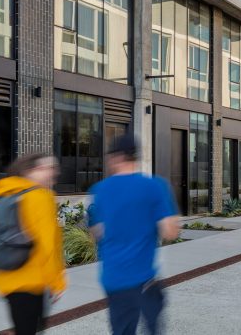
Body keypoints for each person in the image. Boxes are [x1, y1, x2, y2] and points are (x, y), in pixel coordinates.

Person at [88, 133, 180, 335]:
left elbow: (96, 232)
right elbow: (170, 232)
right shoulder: (155, 186)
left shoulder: (100, 190)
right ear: (135, 157)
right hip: (144, 279)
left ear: (115, 157)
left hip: (113, 279)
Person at [0, 154, 65, 335]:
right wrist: (57, 281)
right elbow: (48, 246)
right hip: (32, 281)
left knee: (23, 328)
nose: (54, 172)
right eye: (48, 167)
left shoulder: (3, 192)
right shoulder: (40, 197)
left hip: (7, 278)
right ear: (31, 171)